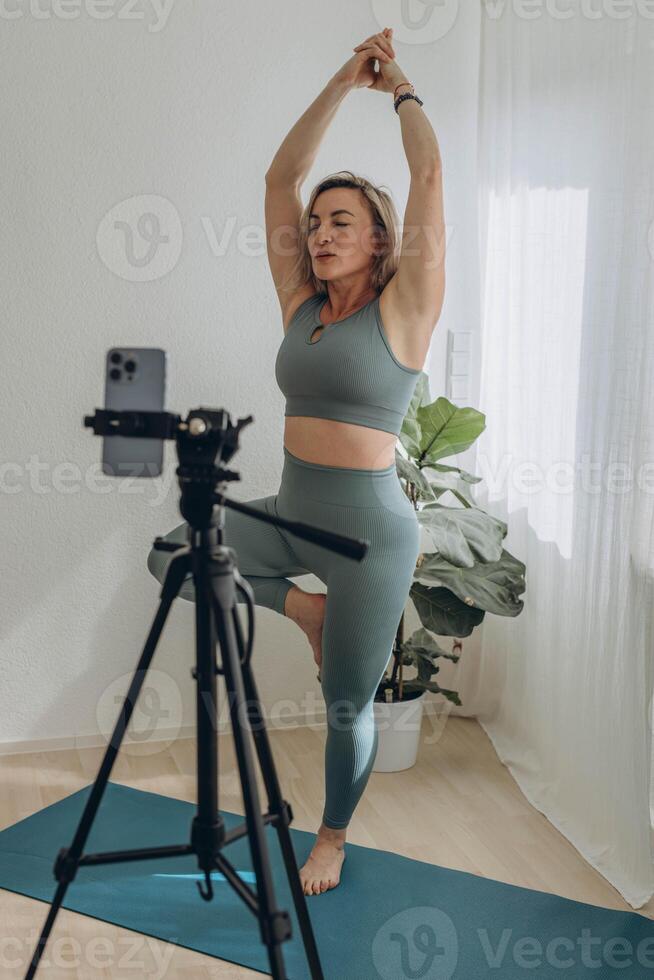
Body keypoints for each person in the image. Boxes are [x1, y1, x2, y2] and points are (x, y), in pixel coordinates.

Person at [147, 27, 445, 897]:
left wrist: (399, 89)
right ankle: (300, 614)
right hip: (290, 509)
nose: (317, 233)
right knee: (173, 553)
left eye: (339, 221)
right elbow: (279, 181)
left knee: (347, 707)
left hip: (369, 537)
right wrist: (339, 81)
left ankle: (334, 838)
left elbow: (427, 179)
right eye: (315, 225)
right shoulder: (298, 304)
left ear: (380, 239)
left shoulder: (406, 309)